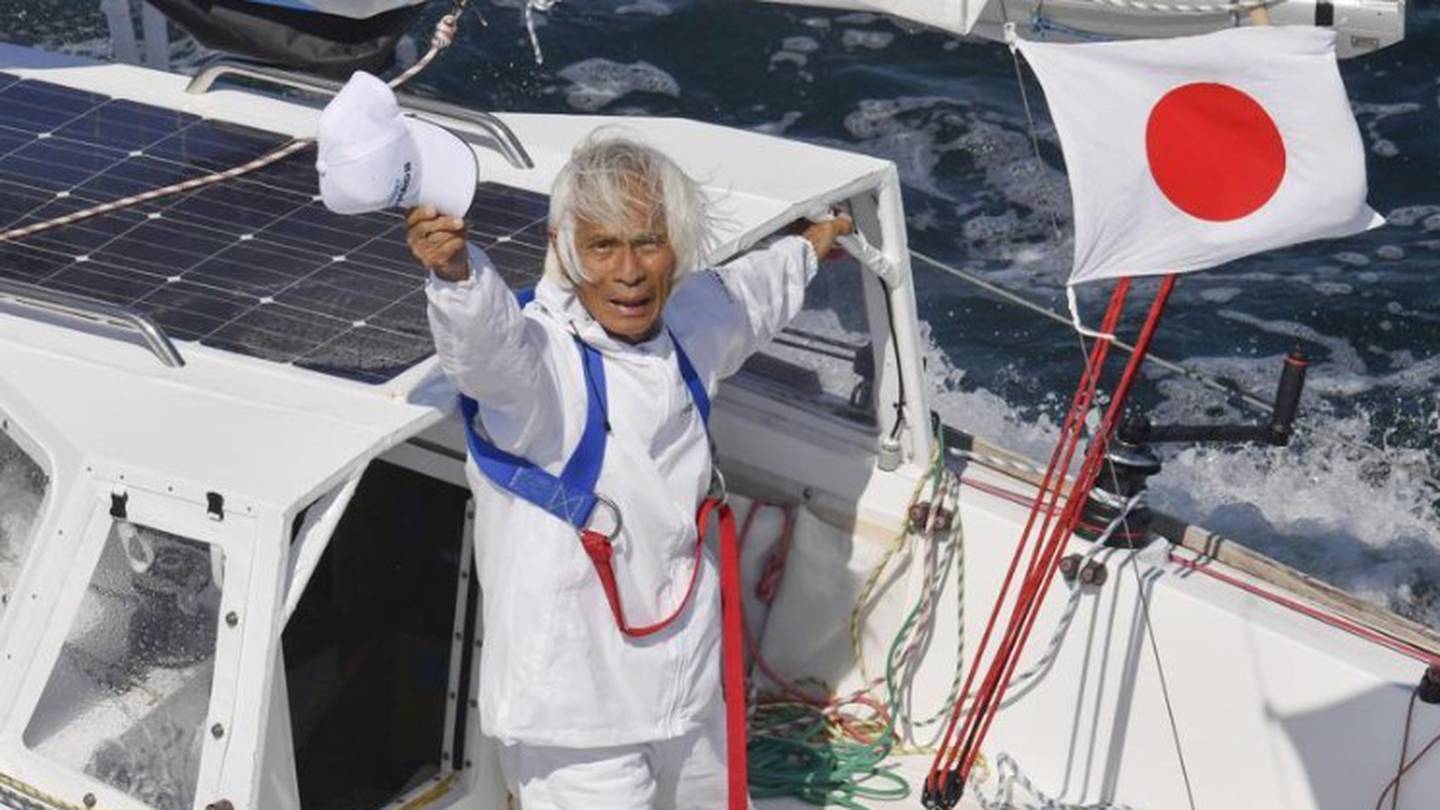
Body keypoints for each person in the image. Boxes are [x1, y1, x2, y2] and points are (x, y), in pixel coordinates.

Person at [408, 131, 852, 809]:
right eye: (602, 246)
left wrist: (812, 242)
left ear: (677, 247)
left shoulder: (689, 324)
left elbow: (750, 296)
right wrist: (456, 276)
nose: (629, 271)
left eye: (648, 242)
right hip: (575, 721)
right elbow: (487, 352)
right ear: (565, 249)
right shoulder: (540, 368)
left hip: (687, 690)